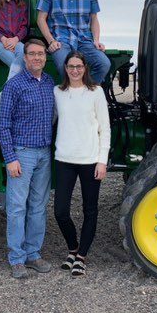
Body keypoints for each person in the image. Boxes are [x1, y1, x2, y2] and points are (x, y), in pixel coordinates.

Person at [0, 38, 55, 279]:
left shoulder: (49, 82)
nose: (37, 58)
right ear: (24, 57)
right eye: (32, 54)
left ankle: (33, 254)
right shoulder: (15, 85)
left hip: (44, 153)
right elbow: (3, 124)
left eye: (41, 54)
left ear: (45, 57)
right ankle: (17, 258)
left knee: (38, 207)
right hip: (22, 154)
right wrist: (10, 158)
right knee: (17, 206)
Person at [53, 51, 110, 277]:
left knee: (90, 210)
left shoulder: (96, 92)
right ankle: (72, 248)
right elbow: (51, 120)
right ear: (65, 69)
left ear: (85, 68)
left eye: (78, 66)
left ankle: (81, 257)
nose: (75, 70)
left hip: (89, 160)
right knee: (60, 211)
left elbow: (104, 128)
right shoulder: (58, 92)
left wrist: (102, 161)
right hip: (64, 159)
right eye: (70, 66)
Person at [36, 0, 111, 83]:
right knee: (63, 65)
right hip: (61, 40)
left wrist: (96, 40)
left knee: (104, 64)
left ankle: (87, 93)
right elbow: (41, 19)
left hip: (84, 40)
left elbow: (94, 18)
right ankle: (72, 95)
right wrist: (51, 41)